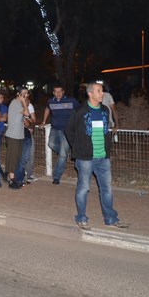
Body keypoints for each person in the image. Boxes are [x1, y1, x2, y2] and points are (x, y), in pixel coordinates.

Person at [66, 82, 128, 230]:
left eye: (102, 91)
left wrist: (107, 149)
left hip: (103, 158)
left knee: (107, 189)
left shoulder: (105, 110)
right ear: (90, 93)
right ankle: (81, 217)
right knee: (83, 188)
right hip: (86, 158)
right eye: (99, 91)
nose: (102, 94)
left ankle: (110, 218)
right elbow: (69, 130)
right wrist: (78, 147)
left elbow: (105, 131)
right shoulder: (80, 111)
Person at [40, 84, 79, 185]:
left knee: (62, 155)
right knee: (51, 144)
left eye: (60, 91)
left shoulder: (71, 101)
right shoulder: (50, 101)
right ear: (53, 92)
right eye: (56, 91)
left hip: (67, 131)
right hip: (55, 129)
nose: (58, 93)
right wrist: (44, 121)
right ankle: (64, 153)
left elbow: (80, 110)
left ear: (63, 92)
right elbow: (47, 109)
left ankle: (57, 176)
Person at [5, 87, 29, 189]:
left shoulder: (19, 104)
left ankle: (11, 177)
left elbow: (25, 119)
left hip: (19, 135)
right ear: (18, 94)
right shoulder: (15, 103)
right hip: (13, 135)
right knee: (13, 158)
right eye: (23, 94)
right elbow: (27, 113)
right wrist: (24, 102)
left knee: (17, 158)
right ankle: (12, 180)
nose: (25, 96)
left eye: (26, 94)